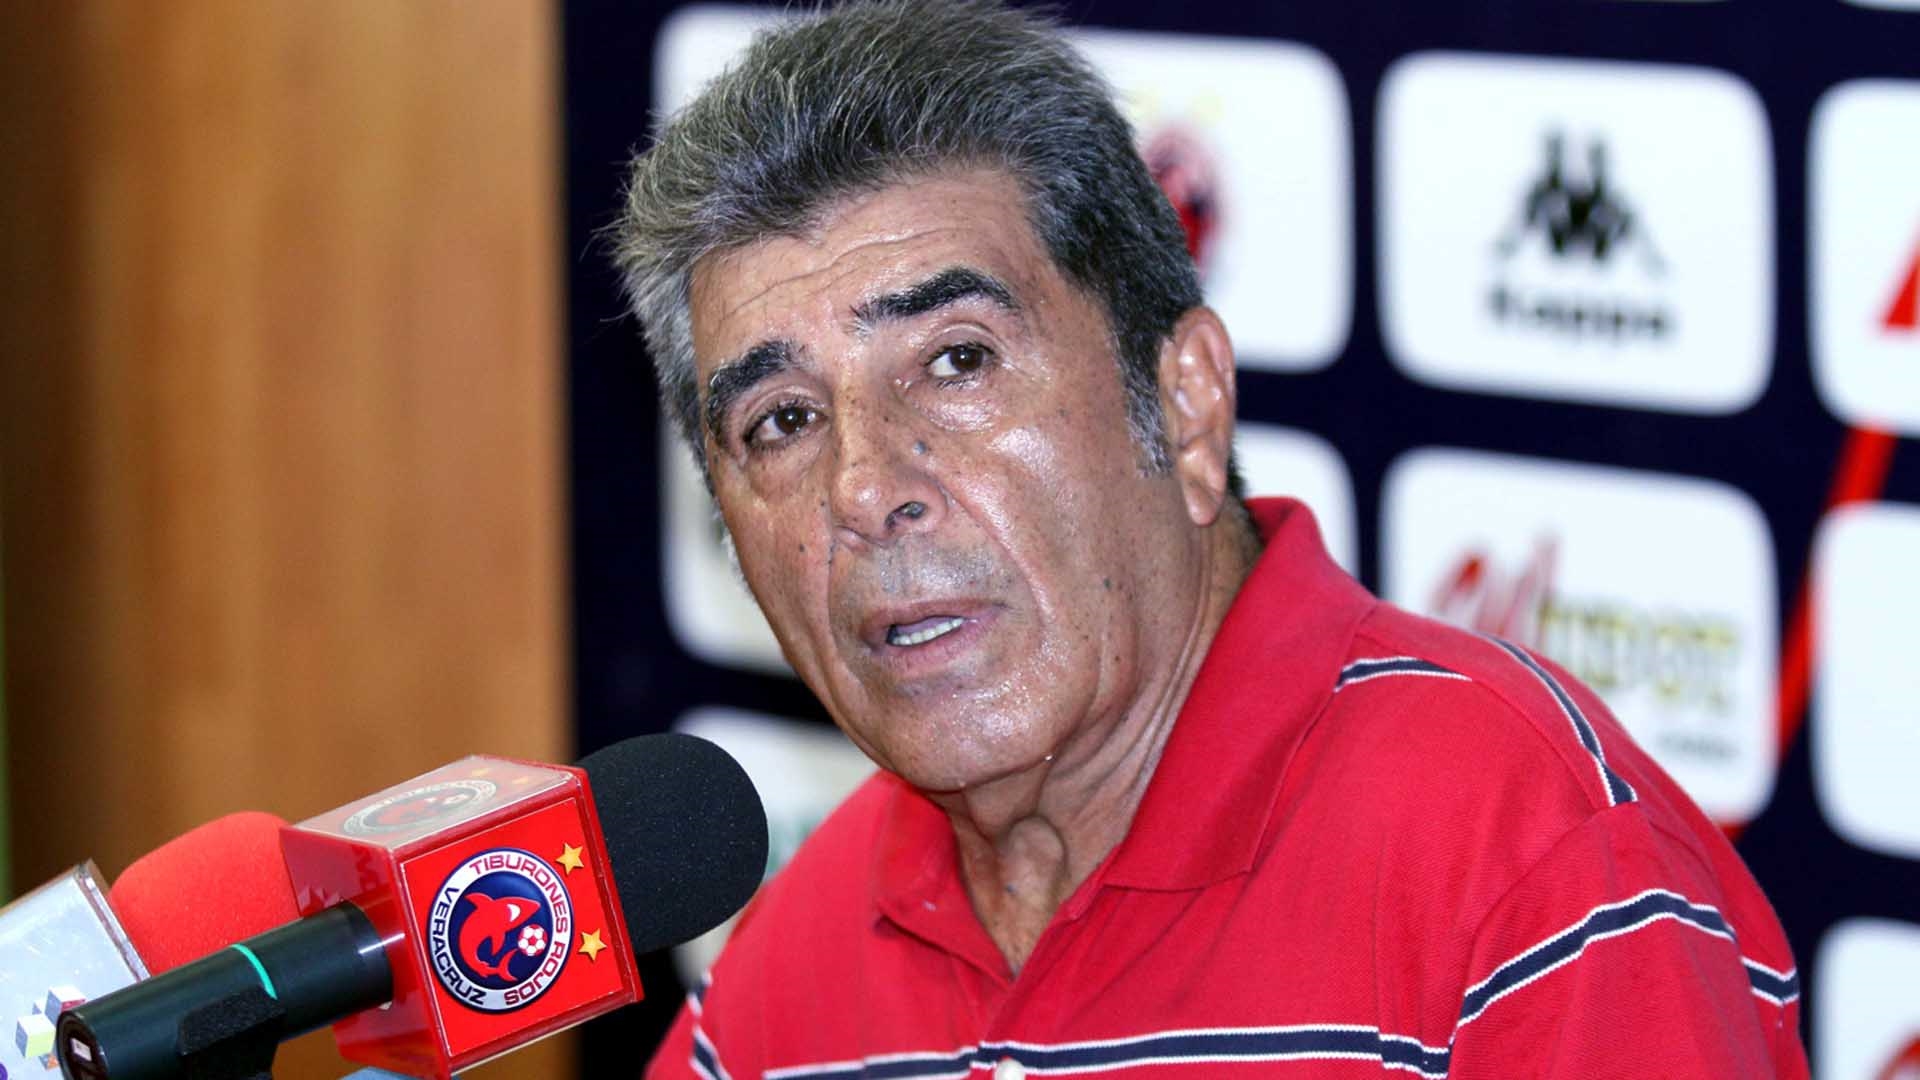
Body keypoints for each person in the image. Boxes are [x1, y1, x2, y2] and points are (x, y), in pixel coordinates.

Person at [612, 3, 1807, 1076]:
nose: (866, 487)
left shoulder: (1531, 865)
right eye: (782, 422)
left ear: (1185, 405)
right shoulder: (792, 965)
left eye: (957, 361)